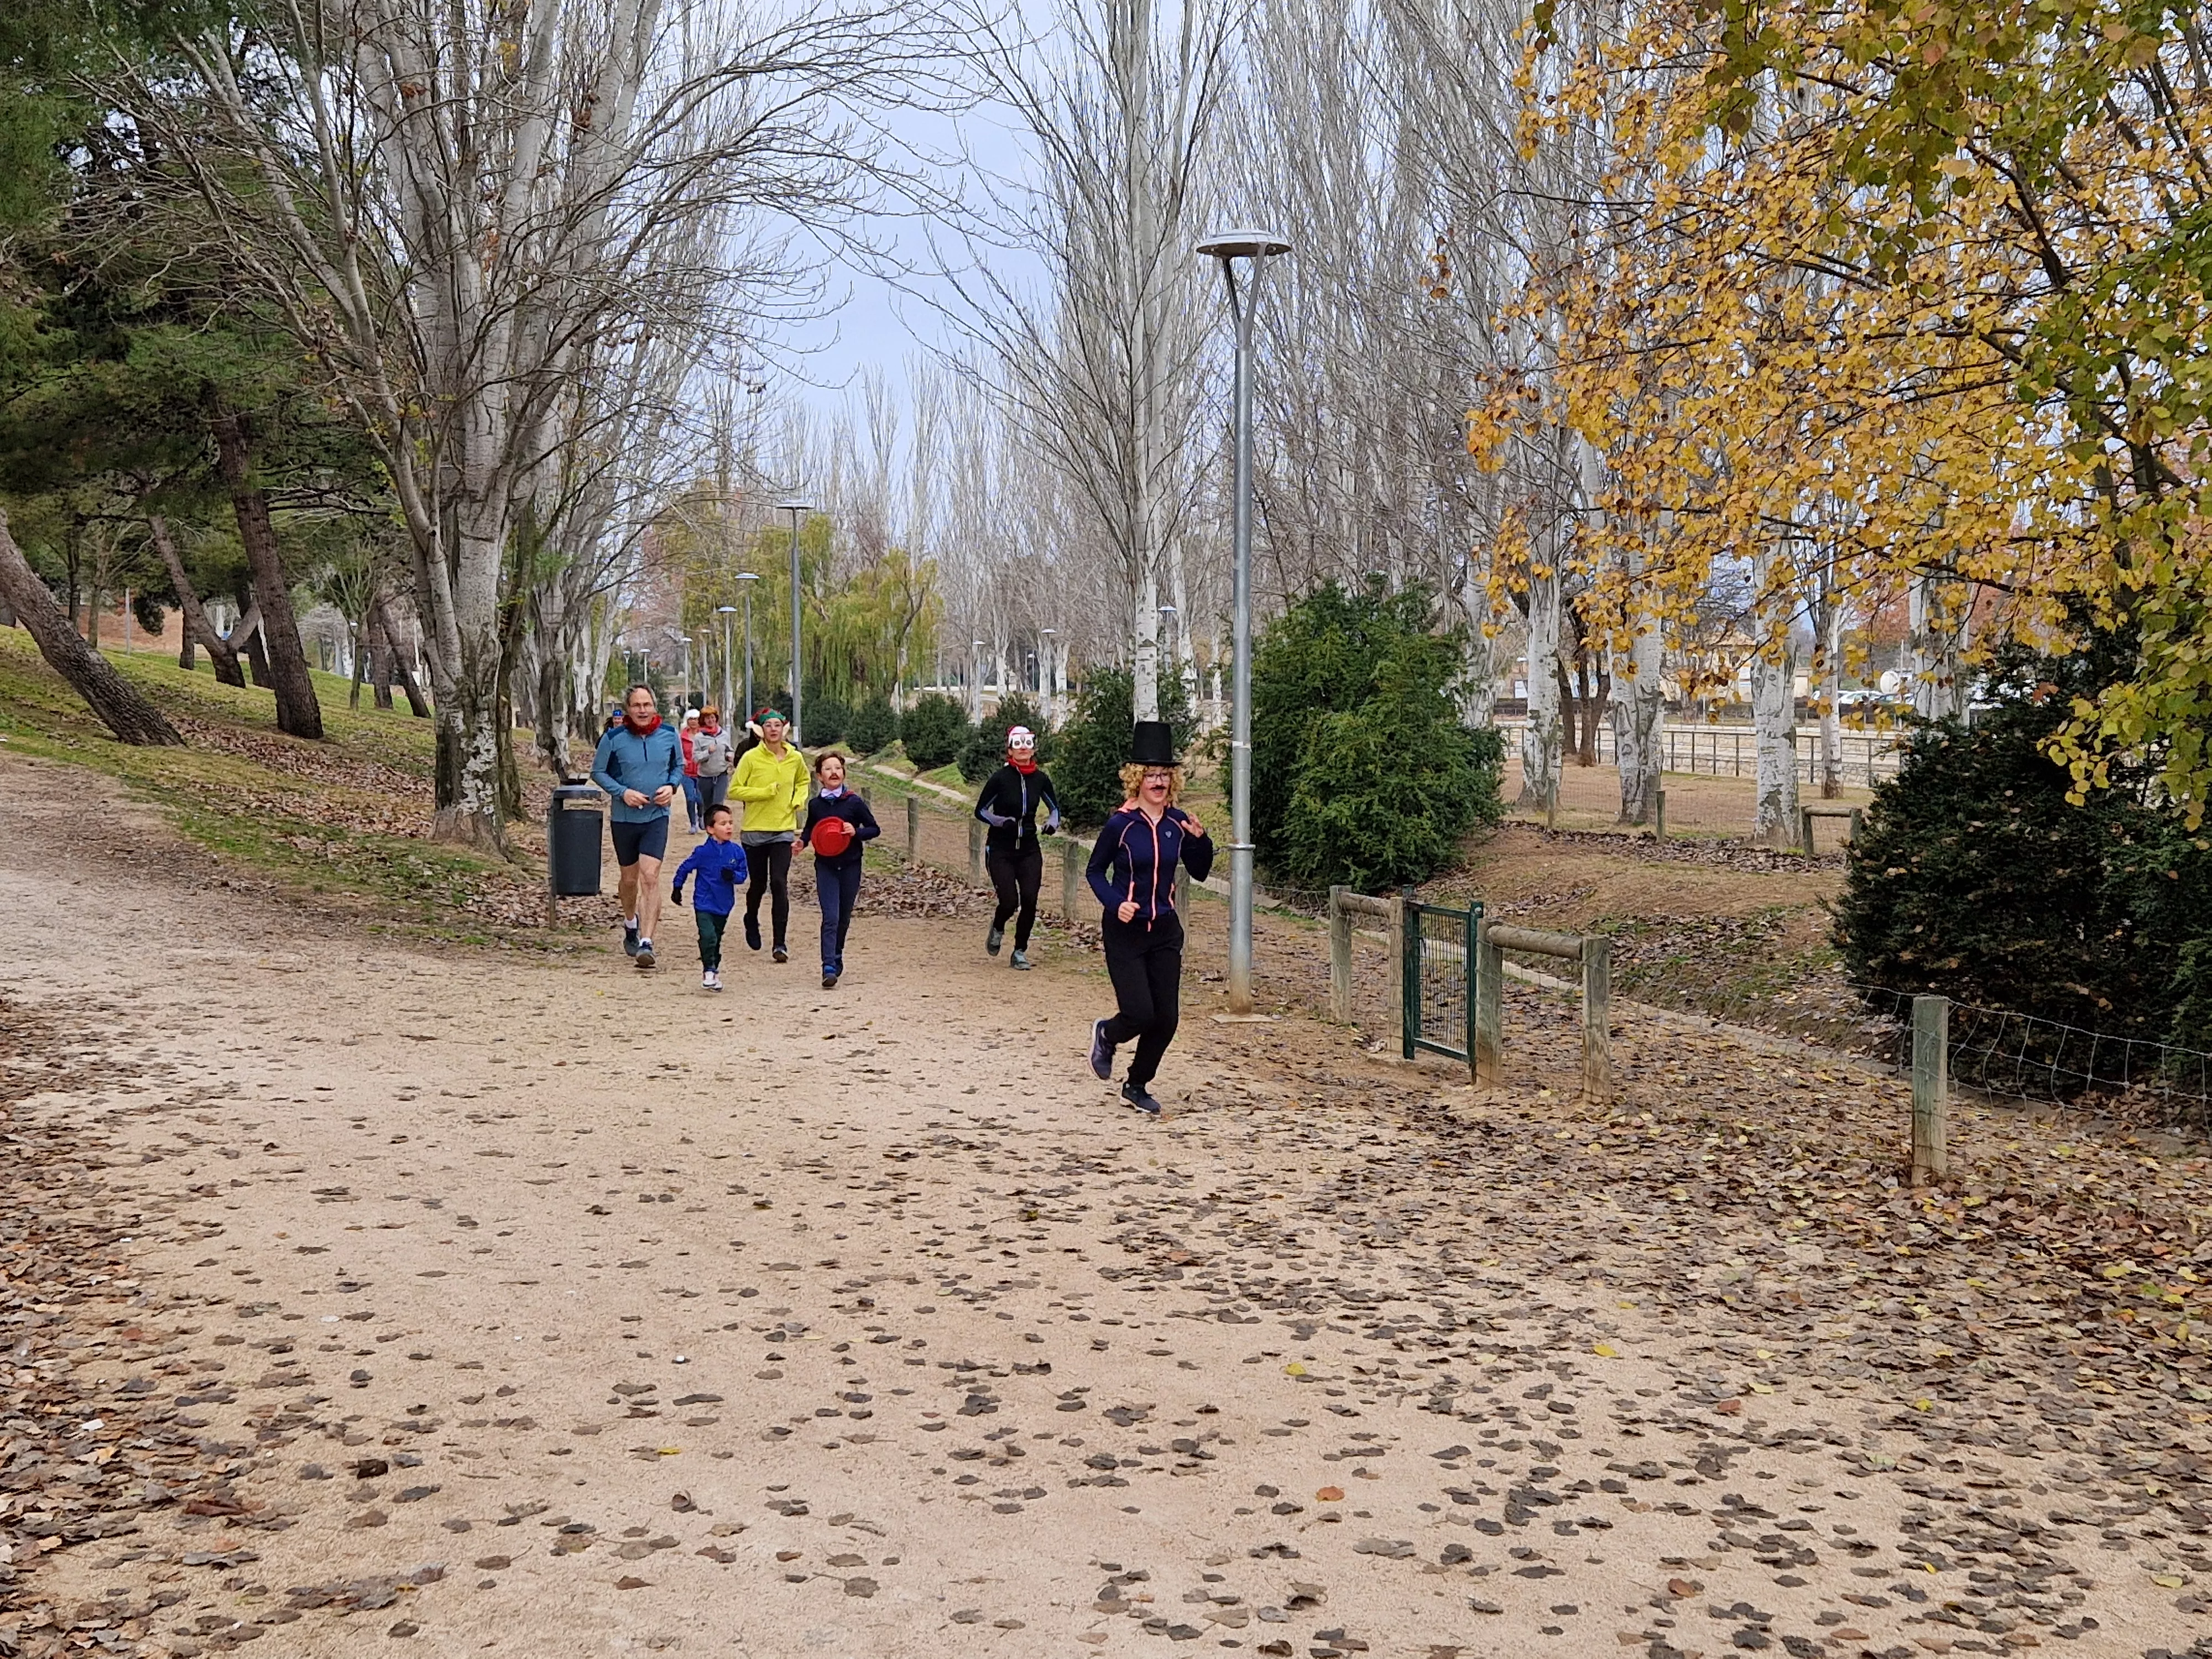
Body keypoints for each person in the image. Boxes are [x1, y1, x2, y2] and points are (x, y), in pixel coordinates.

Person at [1084, 720, 1212, 1116]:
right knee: (1140, 1012)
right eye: (1151, 775)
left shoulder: (1179, 822)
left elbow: (1201, 870)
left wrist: (1200, 839)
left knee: (1166, 1019)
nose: (1158, 782)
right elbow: (1094, 871)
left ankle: (1137, 1084)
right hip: (1126, 931)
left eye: (1165, 776)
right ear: (1137, 780)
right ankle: (1107, 1033)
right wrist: (1114, 902)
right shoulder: (1120, 825)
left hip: (1165, 931)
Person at [589, 683, 685, 970]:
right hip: (624, 819)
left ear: (655, 707)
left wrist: (672, 786)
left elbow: (678, 766)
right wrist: (622, 793)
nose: (643, 710)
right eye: (637, 706)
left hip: (657, 816)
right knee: (629, 881)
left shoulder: (669, 735)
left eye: (647, 705)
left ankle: (647, 942)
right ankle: (631, 922)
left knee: (650, 876)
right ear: (628, 709)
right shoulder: (614, 738)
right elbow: (598, 772)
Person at [973, 724, 1061, 971]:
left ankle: (1020, 951)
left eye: (1027, 744)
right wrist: (1002, 822)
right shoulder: (1000, 779)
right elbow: (980, 811)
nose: (1023, 749)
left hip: (1030, 849)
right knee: (1009, 902)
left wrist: (1052, 824)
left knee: (1030, 900)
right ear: (1009, 750)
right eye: (1017, 744)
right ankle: (998, 926)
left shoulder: (1041, 779)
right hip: (1001, 849)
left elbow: (1055, 809)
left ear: (1034, 748)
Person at [729, 708, 809, 963]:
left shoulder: (795, 758)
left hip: (783, 829)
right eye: (769, 726)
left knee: (779, 882)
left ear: (784, 730)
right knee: (758, 884)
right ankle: (751, 918)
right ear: (761, 731)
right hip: (754, 830)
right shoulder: (751, 758)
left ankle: (780, 943)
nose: (773, 729)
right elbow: (735, 790)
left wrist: (798, 801)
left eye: (778, 725)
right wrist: (764, 792)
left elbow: (804, 781)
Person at [800, 752, 880, 989]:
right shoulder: (816, 805)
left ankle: (837, 953)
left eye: (838, 768)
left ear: (844, 773)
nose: (834, 772)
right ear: (819, 776)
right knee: (831, 916)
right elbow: (810, 829)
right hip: (825, 866)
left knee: (844, 916)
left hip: (850, 865)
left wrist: (856, 832)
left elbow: (874, 829)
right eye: (828, 769)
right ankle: (828, 966)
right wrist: (801, 843)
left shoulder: (853, 802)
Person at [669, 802, 749, 991]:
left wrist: (734, 877)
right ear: (710, 829)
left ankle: (714, 968)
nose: (729, 827)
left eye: (730, 822)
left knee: (717, 937)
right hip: (704, 902)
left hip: (724, 904)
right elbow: (685, 868)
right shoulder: (702, 852)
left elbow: (743, 875)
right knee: (708, 936)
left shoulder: (737, 852)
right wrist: (677, 887)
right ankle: (709, 970)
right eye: (723, 824)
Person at [693, 706, 736, 823]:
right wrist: (708, 752)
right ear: (704, 721)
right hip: (705, 777)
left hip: (721, 775)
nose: (711, 720)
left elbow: (729, 749)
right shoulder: (699, 738)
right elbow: (696, 758)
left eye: (712, 718)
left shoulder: (724, 735)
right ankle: (710, 831)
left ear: (716, 719)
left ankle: (718, 832)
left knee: (718, 806)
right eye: (707, 718)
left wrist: (730, 755)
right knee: (708, 807)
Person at [679, 710, 705, 833]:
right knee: (690, 798)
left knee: (700, 799)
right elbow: (678, 752)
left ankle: (701, 816)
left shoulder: (704, 735)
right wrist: (682, 760)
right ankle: (693, 824)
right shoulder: (682, 737)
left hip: (702, 772)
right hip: (687, 773)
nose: (693, 721)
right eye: (691, 719)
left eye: (696, 719)